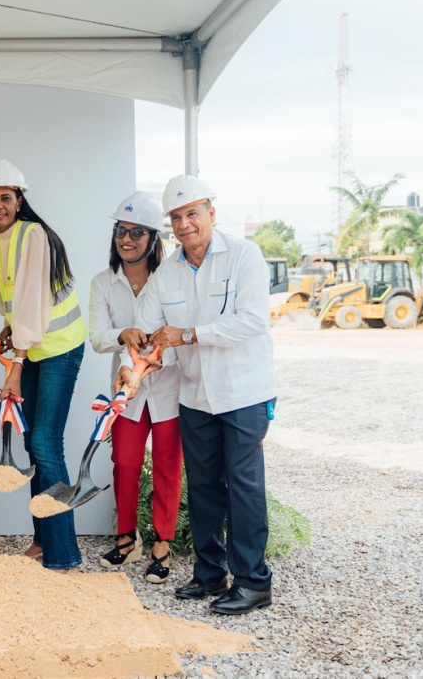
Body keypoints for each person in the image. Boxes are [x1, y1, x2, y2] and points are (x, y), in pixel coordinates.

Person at [120, 175, 277, 616]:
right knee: (205, 487)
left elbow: (251, 322)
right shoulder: (166, 273)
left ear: (212, 213)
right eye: (176, 217)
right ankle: (210, 575)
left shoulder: (244, 256)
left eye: (193, 213)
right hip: (195, 397)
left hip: (243, 392)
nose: (185, 224)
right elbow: (152, 337)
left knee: (243, 486)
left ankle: (252, 582)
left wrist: (188, 334)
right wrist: (131, 372)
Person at [0, 159, 85, 572]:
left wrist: (15, 364)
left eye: (6, 198)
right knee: (32, 445)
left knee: (44, 443)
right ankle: (43, 540)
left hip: (58, 348)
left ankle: (64, 553)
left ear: (20, 199)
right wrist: (9, 327)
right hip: (33, 346)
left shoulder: (35, 234)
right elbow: (15, 296)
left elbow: (36, 302)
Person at [88, 191, 183, 584]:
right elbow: (96, 336)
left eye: (136, 233)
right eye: (120, 231)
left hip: (168, 388)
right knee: (124, 464)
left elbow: (177, 334)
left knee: (167, 467)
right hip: (125, 390)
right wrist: (120, 334)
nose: (126, 239)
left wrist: (161, 354)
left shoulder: (172, 279)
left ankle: (163, 543)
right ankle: (127, 539)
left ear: (153, 239)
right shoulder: (103, 283)